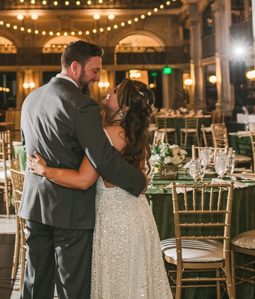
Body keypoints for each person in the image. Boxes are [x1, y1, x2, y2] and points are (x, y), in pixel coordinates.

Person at [19, 41, 147, 299]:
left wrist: (45, 170)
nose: (97, 79)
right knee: (72, 288)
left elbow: (26, 146)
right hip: (71, 209)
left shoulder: (31, 98)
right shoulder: (81, 104)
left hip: (35, 205)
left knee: (35, 284)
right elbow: (103, 158)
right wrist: (138, 181)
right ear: (76, 67)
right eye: (95, 70)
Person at [29, 79, 172, 299]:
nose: (107, 90)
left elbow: (83, 180)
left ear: (124, 107)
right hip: (138, 216)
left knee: (116, 281)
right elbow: (140, 178)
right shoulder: (138, 135)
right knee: (136, 280)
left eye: (114, 91)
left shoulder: (105, 136)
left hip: (114, 219)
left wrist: (45, 170)